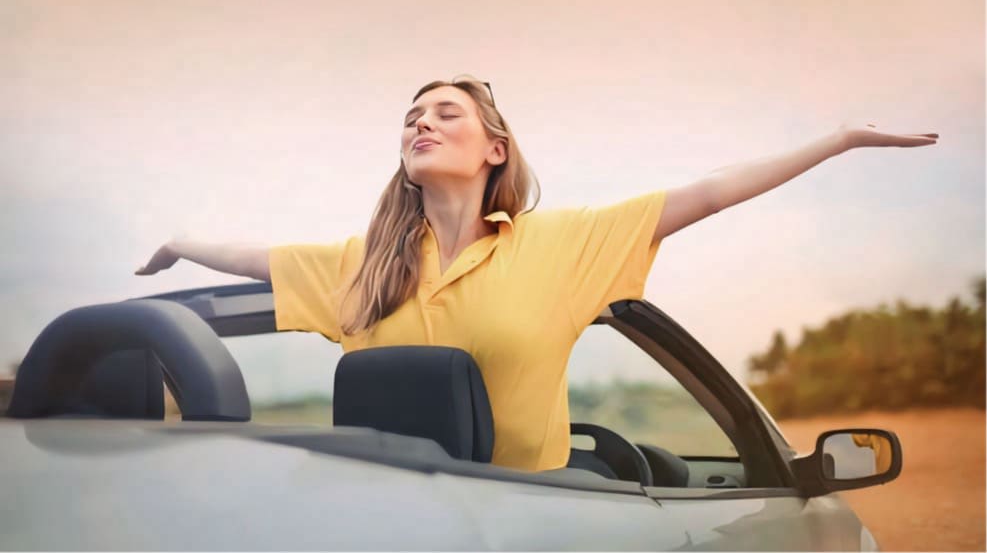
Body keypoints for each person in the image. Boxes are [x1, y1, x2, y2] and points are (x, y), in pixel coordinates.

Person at [136, 74, 938, 472]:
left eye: (445, 111)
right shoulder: (361, 264)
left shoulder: (561, 244)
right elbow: (256, 261)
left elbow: (709, 192)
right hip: (383, 521)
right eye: (412, 116)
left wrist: (835, 140)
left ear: (495, 149)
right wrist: (182, 239)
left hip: (533, 522)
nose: (421, 120)